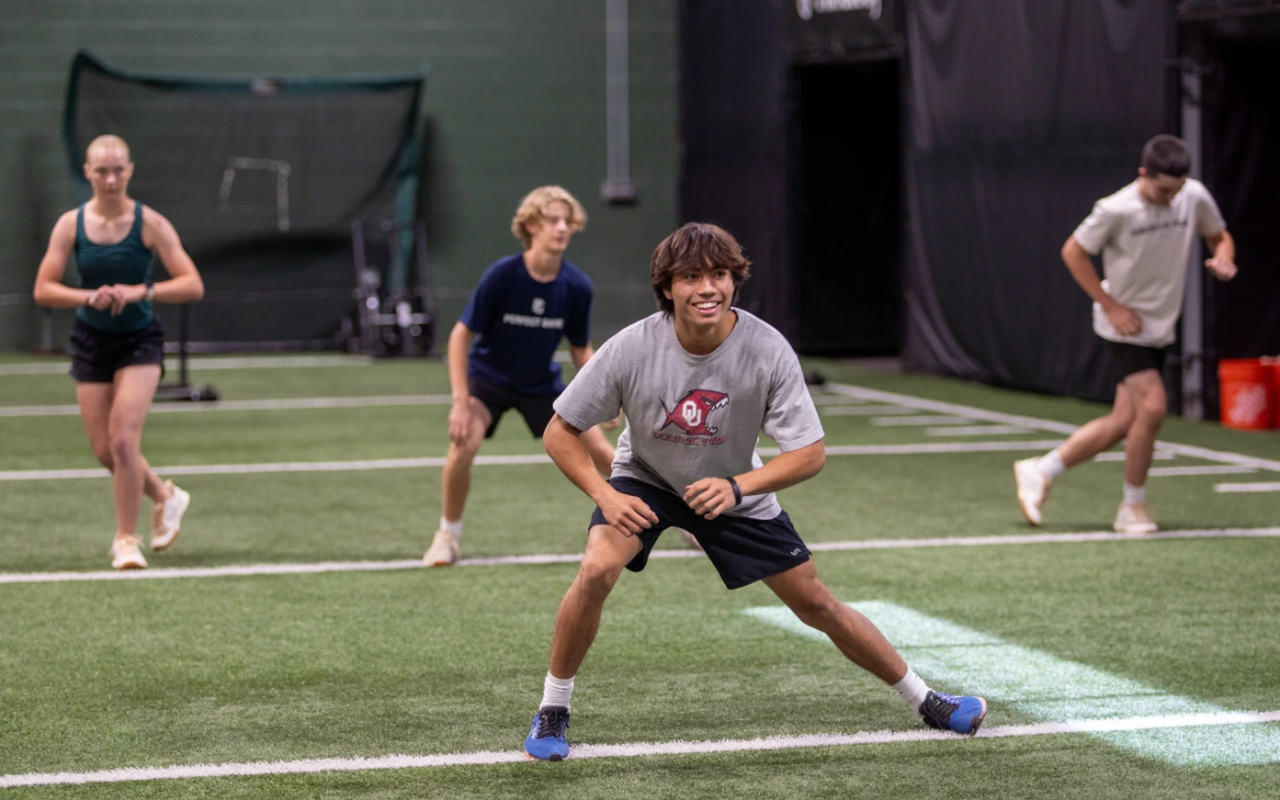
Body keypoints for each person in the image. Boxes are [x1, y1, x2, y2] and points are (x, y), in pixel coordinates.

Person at [521, 222, 987, 761]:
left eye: (719, 274)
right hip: (646, 476)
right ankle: (554, 707)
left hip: (732, 485)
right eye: (691, 276)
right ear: (667, 287)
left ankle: (926, 700)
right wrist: (605, 495)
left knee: (816, 602)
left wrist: (738, 487)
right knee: (598, 569)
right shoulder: (632, 346)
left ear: (734, 281)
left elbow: (810, 453)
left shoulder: (767, 349)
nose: (707, 288)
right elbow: (560, 432)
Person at [1015, 134, 1236, 533]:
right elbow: (1073, 251)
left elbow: (1218, 234)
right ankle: (1131, 507)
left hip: (1160, 325)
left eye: (1178, 189)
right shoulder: (1115, 209)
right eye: (1164, 189)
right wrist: (1110, 306)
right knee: (1153, 407)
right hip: (1123, 326)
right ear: (1143, 174)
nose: (1172, 198)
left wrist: (1224, 257)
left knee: (1123, 421)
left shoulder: (1193, 196)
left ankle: (1040, 469)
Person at [33, 134, 204, 570]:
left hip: (138, 340)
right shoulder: (70, 225)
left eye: (118, 170)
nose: (110, 179)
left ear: (129, 171)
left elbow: (191, 283)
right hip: (91, 341)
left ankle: (126, 539)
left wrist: (139, 291)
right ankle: (166, 496)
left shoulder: (150, 223)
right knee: (105, 450)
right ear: (88, 173)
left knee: (125, 439)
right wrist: (86, 298)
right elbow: (44, 289)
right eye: (101, 171)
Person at [423, 186, 618, 567]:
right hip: (488, 380)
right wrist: (461, 402)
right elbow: (460, 334)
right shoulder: (502, 276)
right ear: (531, 225)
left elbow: (581, 349)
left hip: (541, 384)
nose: (562, 228)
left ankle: (673, 520)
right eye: (552, 220)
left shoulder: (577, 286)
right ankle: (448, 536)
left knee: (606, 456)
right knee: (464, 444)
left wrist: (607, 396)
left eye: (567, 221)